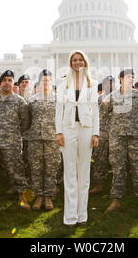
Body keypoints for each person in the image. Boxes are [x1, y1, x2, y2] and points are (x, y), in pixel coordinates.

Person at [55, 50, 99, 226]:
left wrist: (96, 133)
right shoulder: (63, 82)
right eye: (75, 60)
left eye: (81, 60)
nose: (78, 62)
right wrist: (59, 132)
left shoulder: (92, 83)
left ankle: (82, 215)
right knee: (70, 172)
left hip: (86, 129)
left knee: (84, 172)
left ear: (85, 62)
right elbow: (59, 109)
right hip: (68, 128)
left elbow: (95, 110)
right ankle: (70, 216)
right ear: (71, 62)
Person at [0, 70, 31, 210]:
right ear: (0, 83)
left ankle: (22, 197)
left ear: (13, 83)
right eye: (4, 80)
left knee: (16, 170)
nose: (7, 83)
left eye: (10, 80)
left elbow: (25, 122)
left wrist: (14, 134)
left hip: (12, 142)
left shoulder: (20, 101)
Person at [103, 68, 138, 213]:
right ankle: (116, 200)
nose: (131, 79)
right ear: (121, 79)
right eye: (128, 77)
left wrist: (137, 124)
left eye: (133, 77)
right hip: (117, 138)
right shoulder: (112, 96)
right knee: (118, 169)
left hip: (136, 137)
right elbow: (103, 115)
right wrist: (113, 127)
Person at [27, 69, 61, 210]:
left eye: (48, 80)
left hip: (52, 139)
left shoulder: (59, 99)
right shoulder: (32, 100)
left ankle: (48, 197)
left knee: (51, 168)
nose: (45, 83)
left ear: (52, 82)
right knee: (36, 168)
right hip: (35, 138)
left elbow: (63, 119)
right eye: (43, 81)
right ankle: (39, 196)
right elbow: (27, 119)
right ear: (39, 83)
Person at [89, 75, 115, 194]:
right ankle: (99, 185)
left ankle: (116, 186)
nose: (110, 85)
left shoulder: (119, 98)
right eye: (107, 83)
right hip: (102, 134)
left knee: (117, 161)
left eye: (112, 83)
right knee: (100, 161)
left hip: (116, 134)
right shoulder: (98, 99)